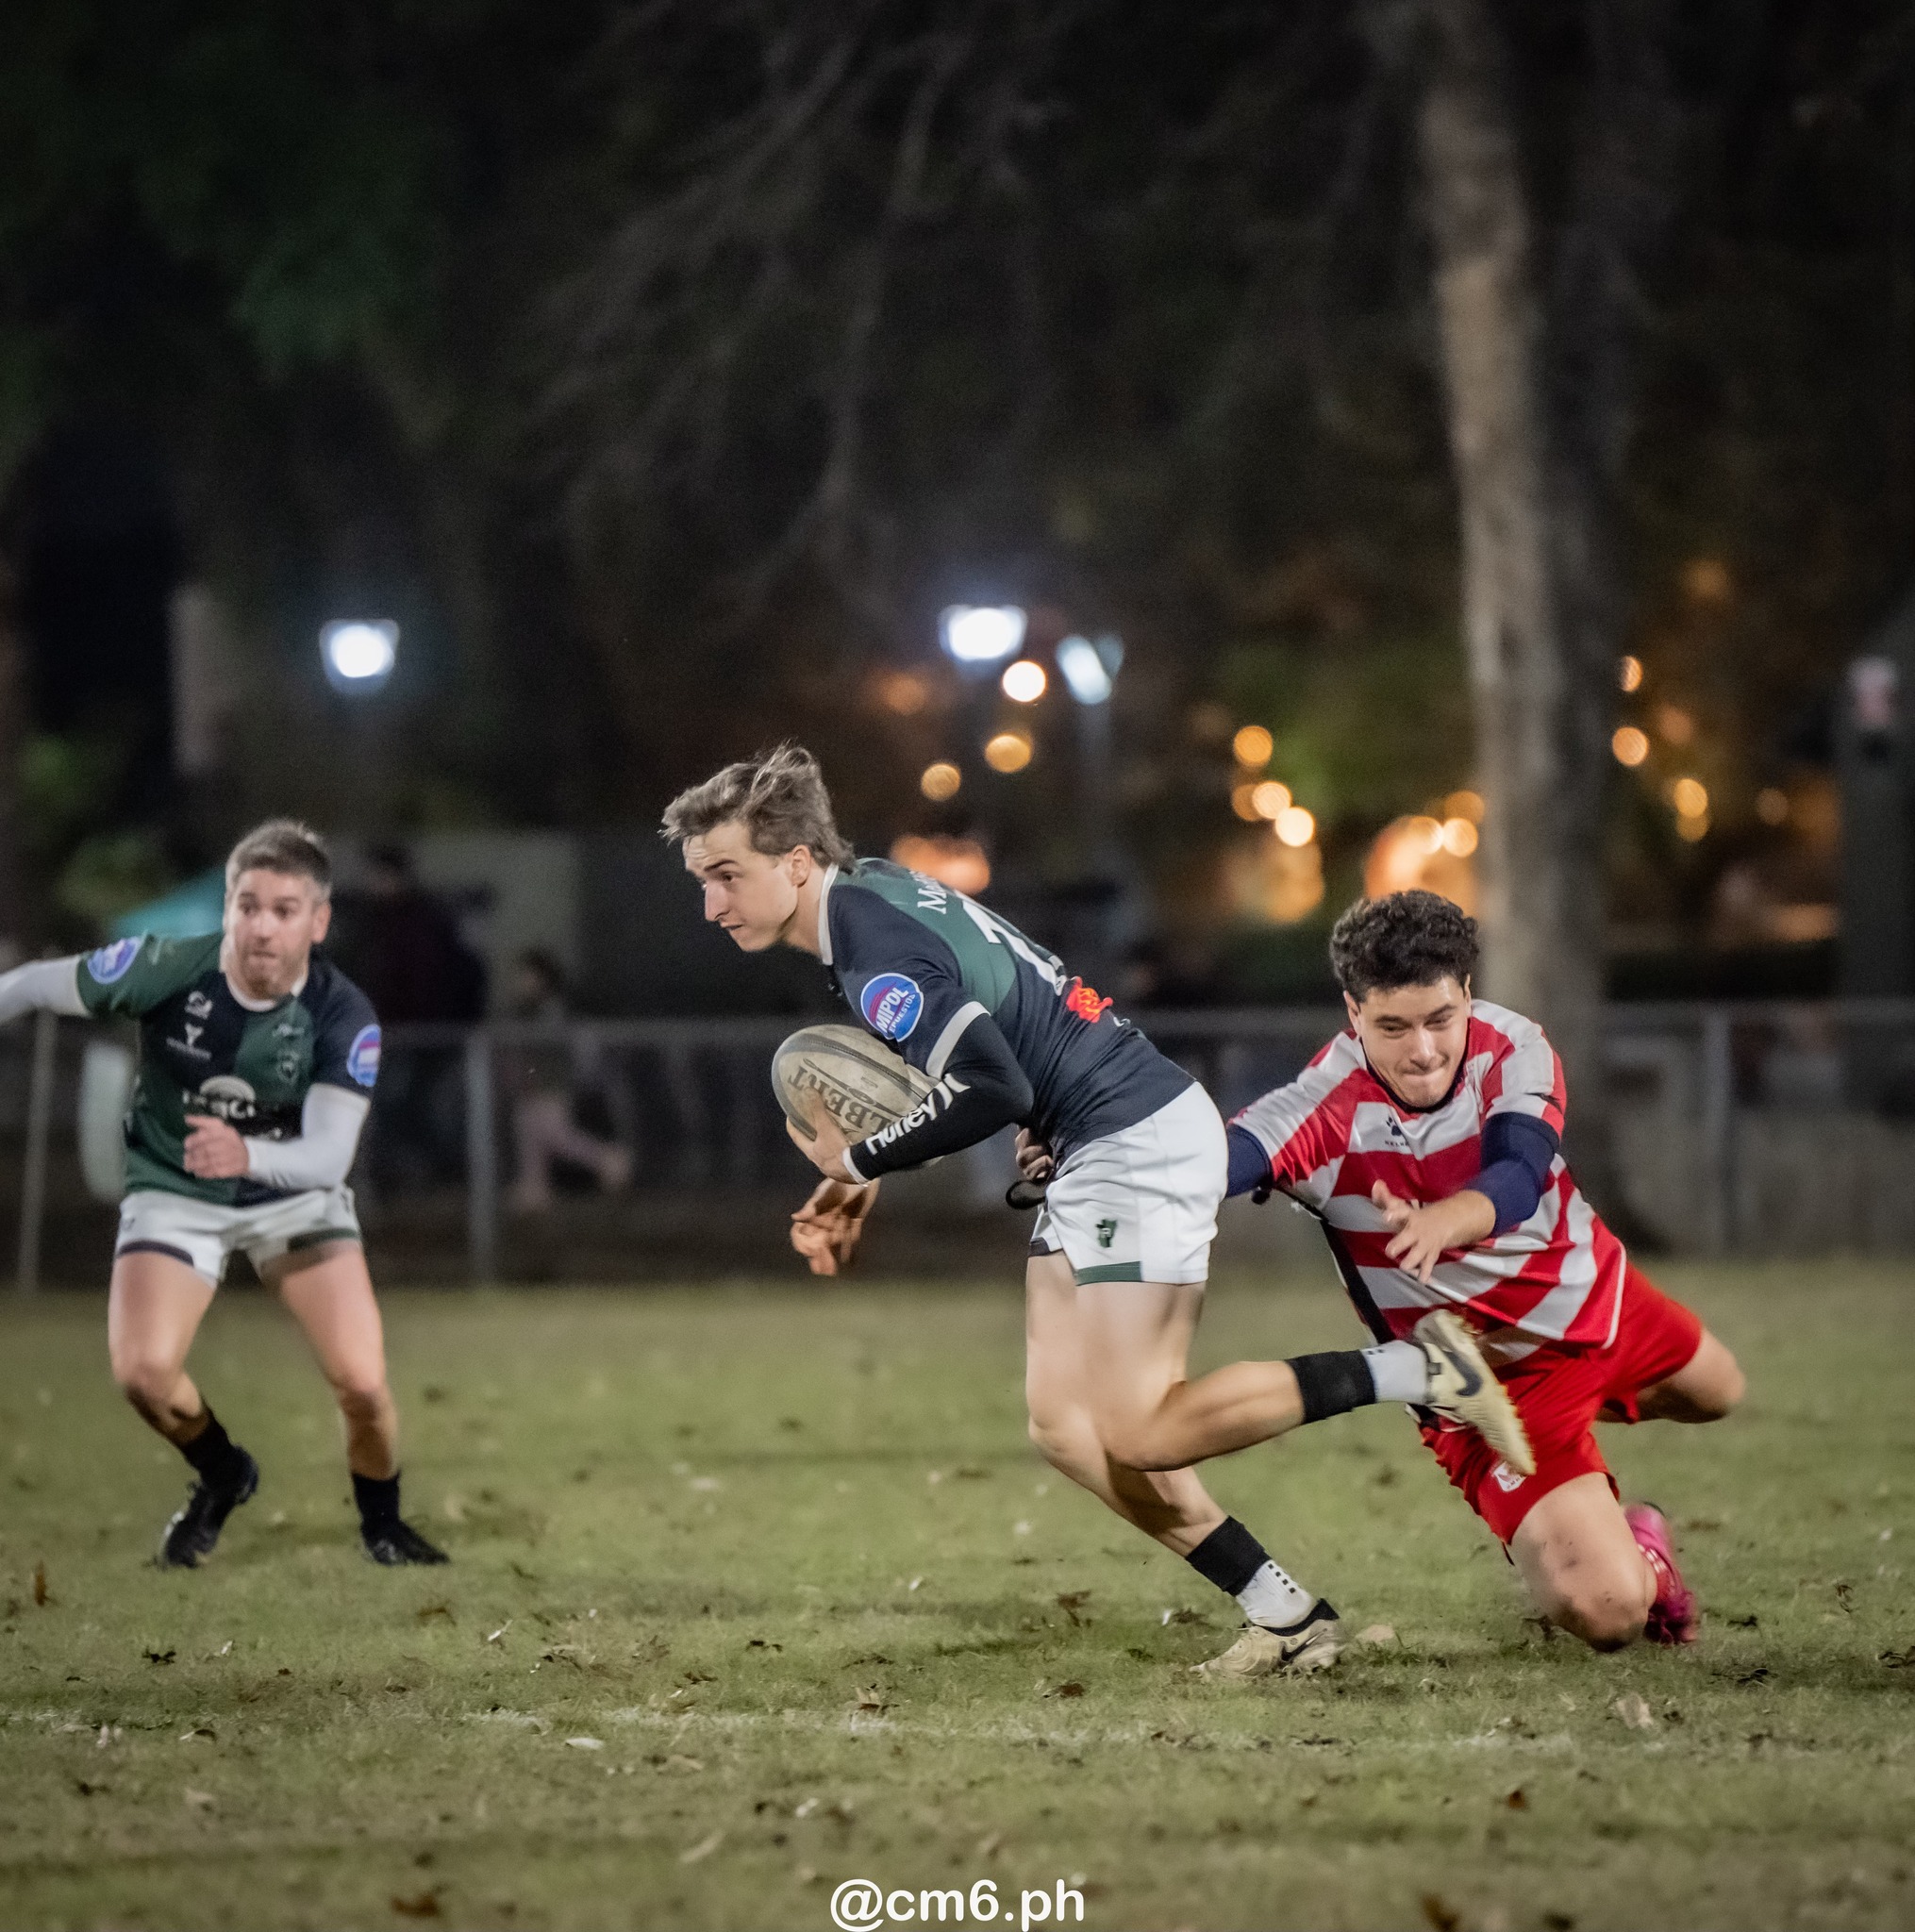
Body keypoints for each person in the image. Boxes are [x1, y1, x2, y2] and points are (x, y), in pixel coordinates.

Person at [663, 745, 1529, 1678]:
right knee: (1063, 1427)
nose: (711, 903)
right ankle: (1282, 1612)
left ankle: (1415, 1365)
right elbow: (1000, 1034)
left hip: (1134, 1142)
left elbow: (987, 1085)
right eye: (701, 879)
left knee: (1142, 1427)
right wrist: (869, 1169)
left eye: (725, 875)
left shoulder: (873, 947)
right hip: (1090, 1143)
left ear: (794, 861)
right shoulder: (866, 889)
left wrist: (860, 1155)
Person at [1227, 890, 1745, 1648]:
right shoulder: (1323, 1105)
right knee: (1607, 1614)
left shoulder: (1513, 1046)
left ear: (1467, 993)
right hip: (1490, 1388)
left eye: (1440, 1019)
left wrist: (1446, 1218)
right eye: (1393, 1028)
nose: (1425, 1050)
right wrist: (1089, 1164)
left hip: (1599, 1300)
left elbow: (1518, 1172)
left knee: (1721, 1393)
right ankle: (1638, 1551)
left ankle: (1597, 1492)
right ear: (1353, 1013)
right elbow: (1217, 1159)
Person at [0, 820, 448, 1569]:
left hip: (294, 1197)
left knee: (363, 1384)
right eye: (247, 905)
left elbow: (330, 1157)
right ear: (228, 910)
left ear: (318, 921)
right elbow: (32, 985)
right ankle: (223, 1472)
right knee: (143, 1375)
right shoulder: (169, 967)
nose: (262, 927)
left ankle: (382, 1527)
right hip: (176, 1189)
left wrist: (249, 1152)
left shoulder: (343, 1016)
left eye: (283, 909)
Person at [503, 947, 631, 1212]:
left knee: (557, 1136)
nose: (520, 982)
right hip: (535, 1085)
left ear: (542, 977)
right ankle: (534, 1186)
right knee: (529, 1132)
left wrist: (531, 1075)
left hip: (551, 1085)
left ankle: (608, 1159)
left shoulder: (551, 1010)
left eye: (526, 975)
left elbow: (550, 1053)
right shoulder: (529, 1010)